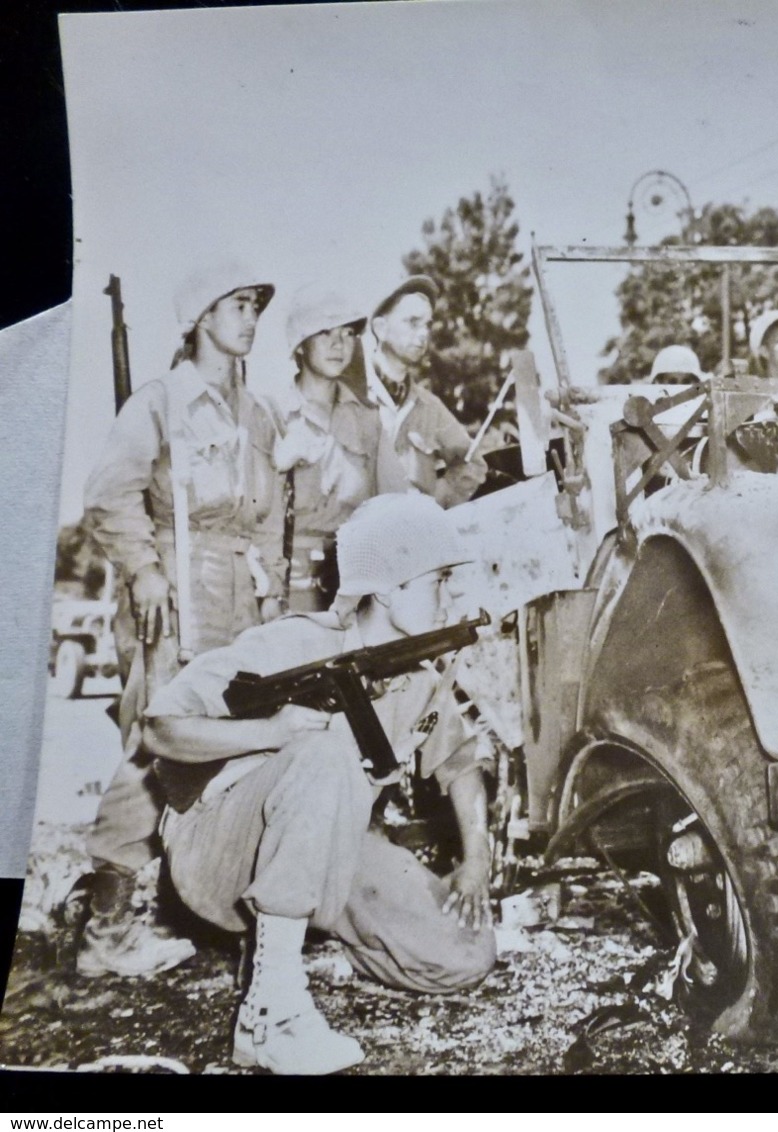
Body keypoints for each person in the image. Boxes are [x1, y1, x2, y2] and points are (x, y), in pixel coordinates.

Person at [144, 493, 501, 1075]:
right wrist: (270, 731)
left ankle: (279, 947)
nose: (452, 594)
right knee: (322, 747)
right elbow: (160, 730)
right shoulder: (289, 643)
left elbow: (459, 761)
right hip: (217, 847)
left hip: (323, 842)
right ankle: (272, 1014)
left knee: (463, 955)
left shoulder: (417, 676)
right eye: (439, 579)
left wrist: (477, 858)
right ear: (388, 587)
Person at [78, 262, 288, 979]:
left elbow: (268, 521)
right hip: (174, 596)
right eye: (236, 304)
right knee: (155, 748)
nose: (250, 318)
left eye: (256, 305)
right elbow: (109, 494)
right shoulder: (162, 402)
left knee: (230, 745)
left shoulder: (255, 413)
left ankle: (213, 907)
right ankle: (105, 930)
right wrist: (142, 568)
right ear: (200, 315)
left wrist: (273, 603)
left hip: (240, 599)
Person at [273, 286, 410, 612]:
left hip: (353, 582)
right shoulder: (270, 414)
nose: (339, 344)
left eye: (348, 334)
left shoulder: (367, 421)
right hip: (289, 587)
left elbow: (393, 504)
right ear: (300, 346)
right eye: (324, 333)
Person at [360, 276, 487, 507]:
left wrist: (436, 500)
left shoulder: (430, 407)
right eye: (412, 322)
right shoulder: (351, 396)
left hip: (416, 536)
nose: (423, 334)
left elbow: (472, 462)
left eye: (427, 324)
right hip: (361, 537)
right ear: (380, 328)